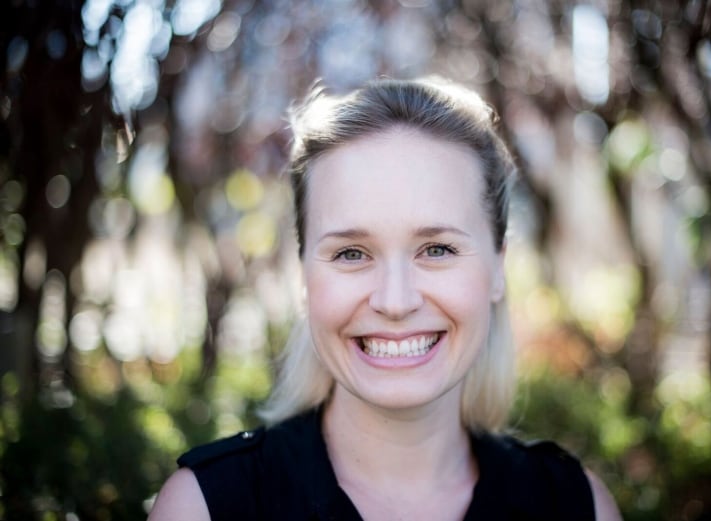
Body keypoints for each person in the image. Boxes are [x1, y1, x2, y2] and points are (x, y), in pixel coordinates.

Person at [148, 77, 622, 520]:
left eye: (437, 249)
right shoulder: (204, 507)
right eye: (352, 253)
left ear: (497, 267)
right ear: (305, 274)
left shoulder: (578, 506)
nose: (395, 302)